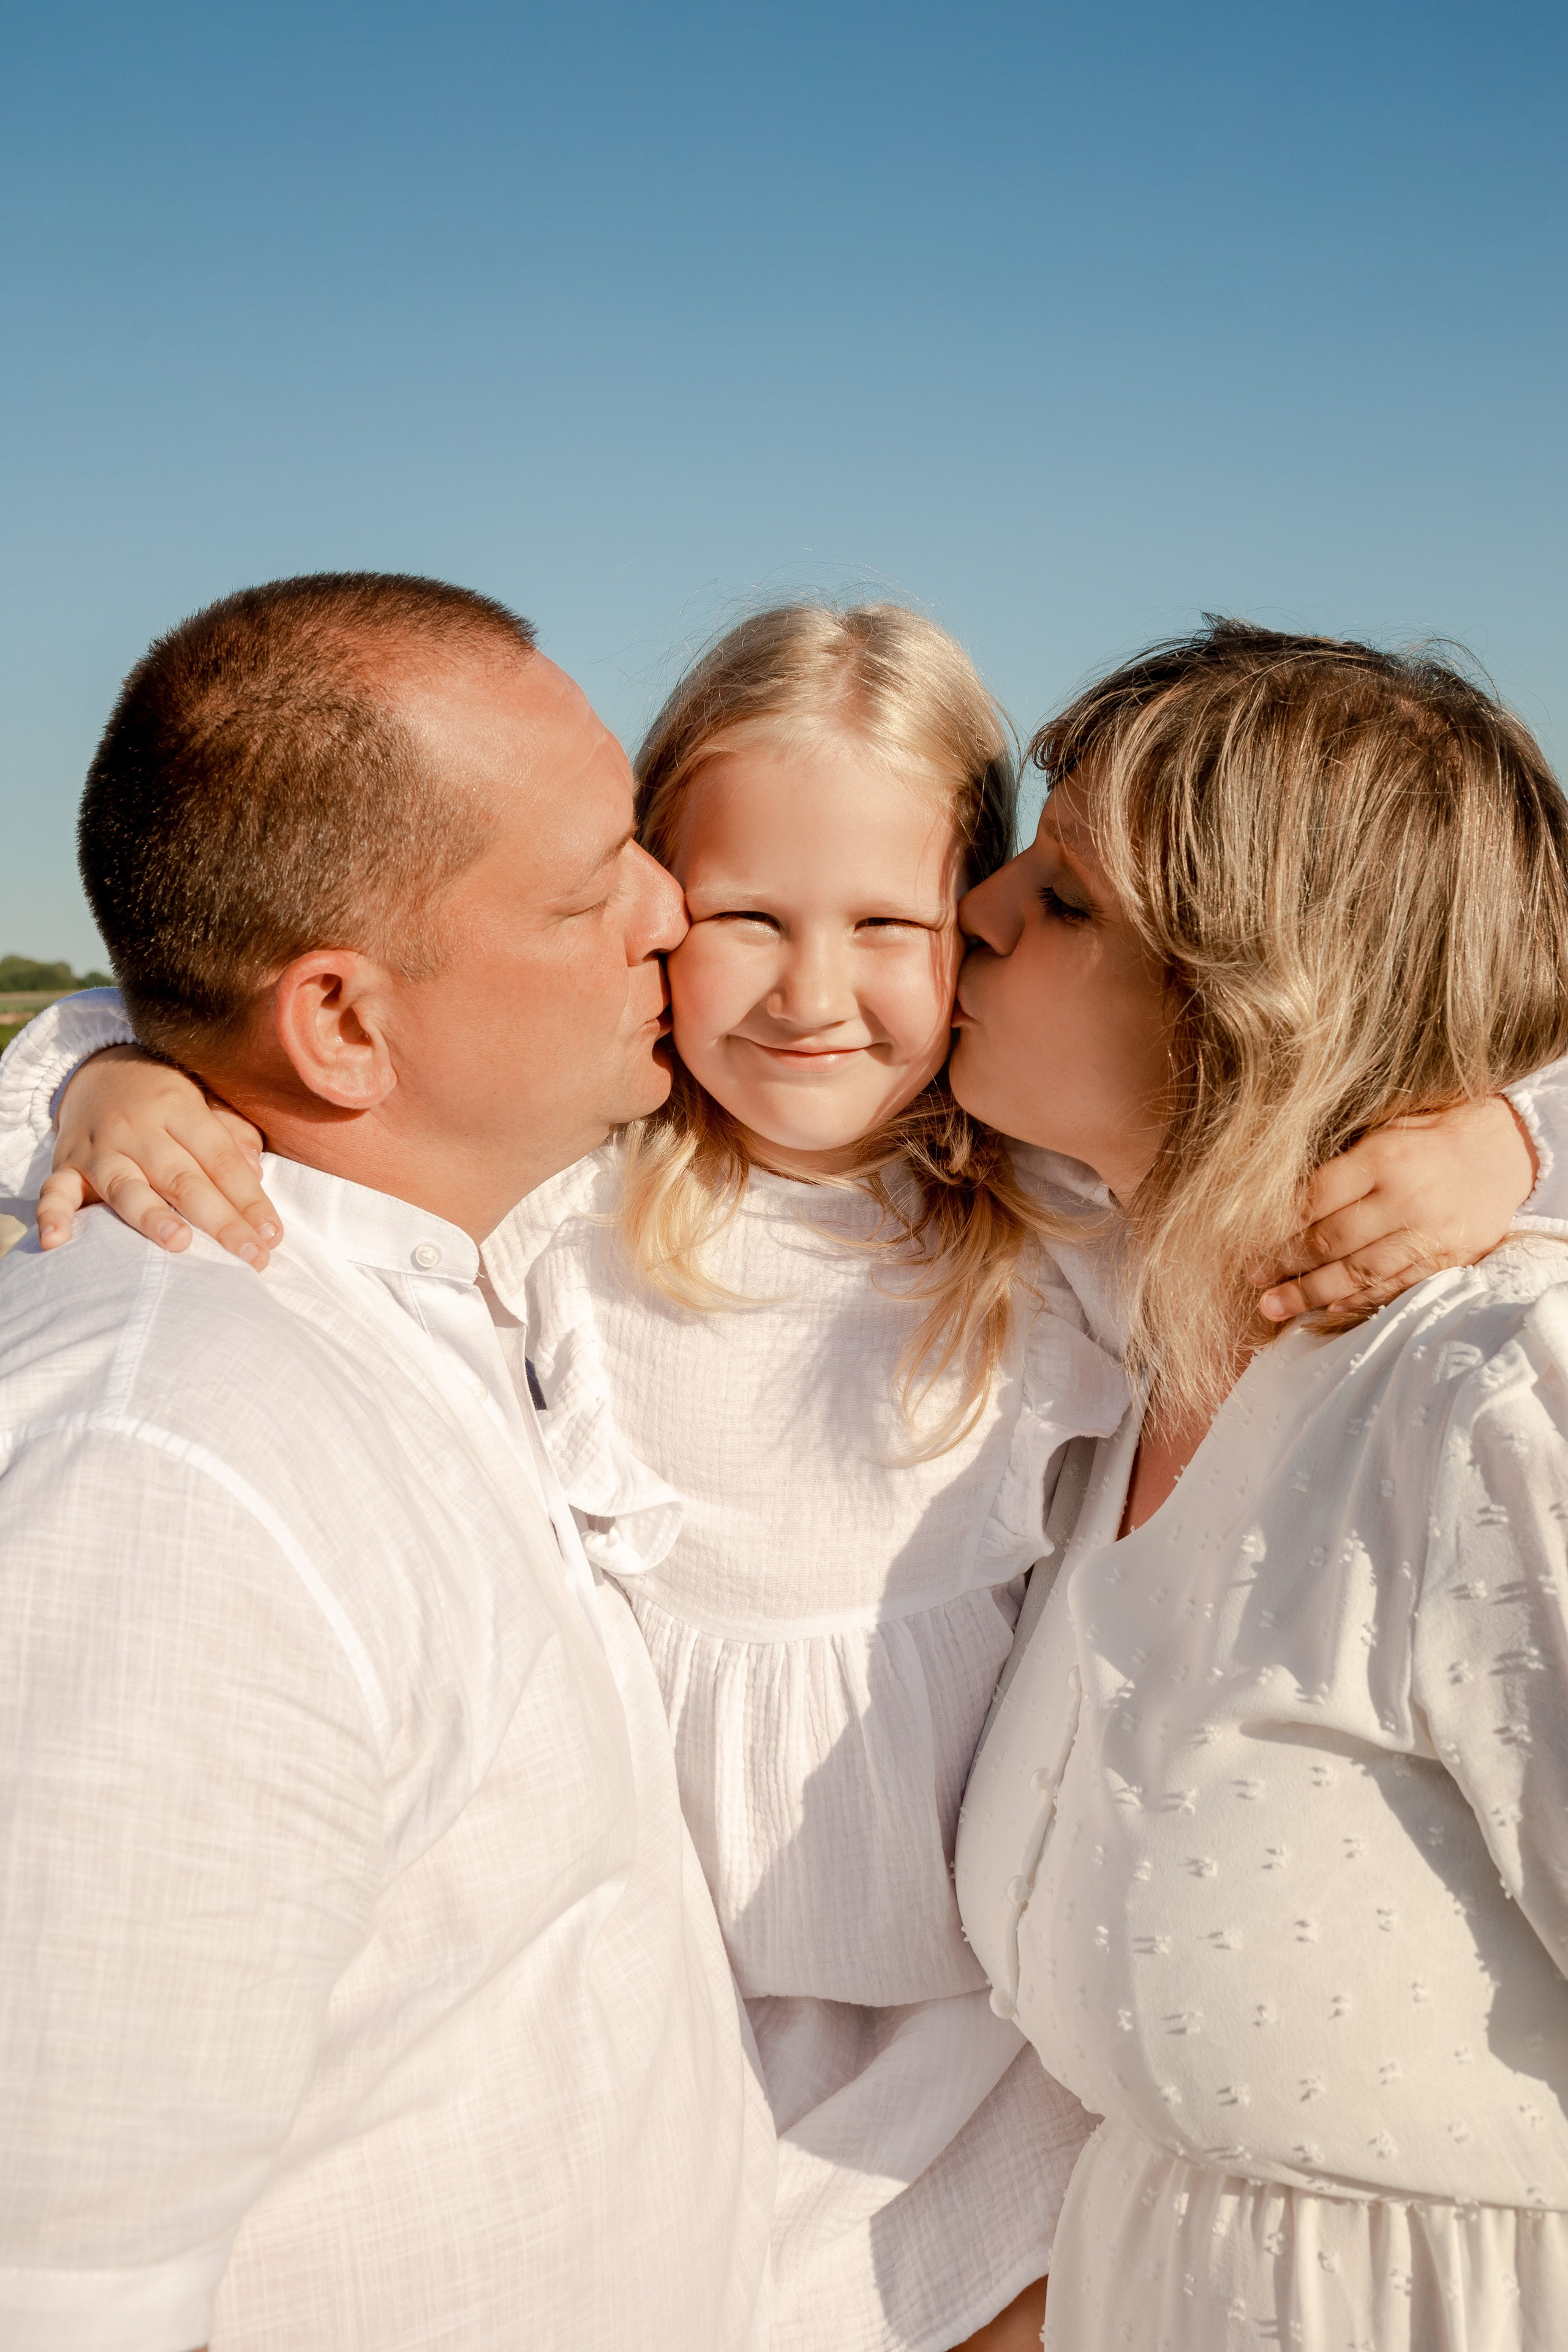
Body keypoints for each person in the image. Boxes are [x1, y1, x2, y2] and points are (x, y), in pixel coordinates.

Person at [7, 602, 1556, 2352]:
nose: (822, 987)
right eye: (733, 912)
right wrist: (117, 1075)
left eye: (912, 917)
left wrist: (1502, 1130)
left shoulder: (1068, 1226)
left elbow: (1387, 1096)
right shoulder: (569, 1199)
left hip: (982, 2046)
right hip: (693, 2034)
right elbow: (247, 1013)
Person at [0, 573, 775, 2352]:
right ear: (343, 1024)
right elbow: (55, 2281)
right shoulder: (168, 1483)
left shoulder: (435, 1289)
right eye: (595, 891)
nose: (676, 911)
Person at [952, 621, 1568, 2349]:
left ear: (1263, 1000)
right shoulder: (1114, 1334)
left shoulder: (1494, 1394)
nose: (975, 913)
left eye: (1065, 899)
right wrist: (128, 1065)